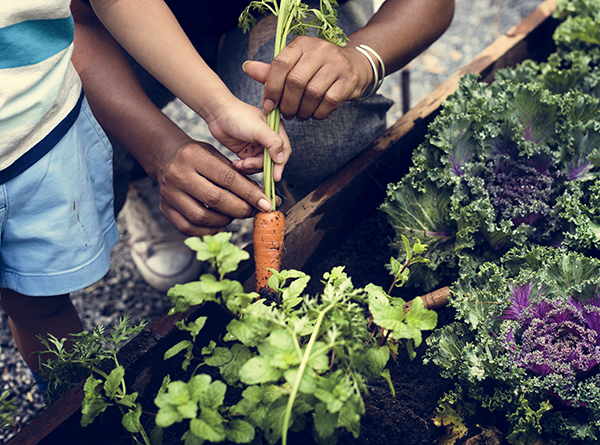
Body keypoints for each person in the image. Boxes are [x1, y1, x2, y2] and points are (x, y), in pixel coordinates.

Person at [72, 0, 455, 291]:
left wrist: (359, 59)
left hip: (270, 14)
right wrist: (158, 150)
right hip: (118, 22)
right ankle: (141, 179)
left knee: (318, 126)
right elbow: (75, 21)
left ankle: (294, 245)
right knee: (68, 132)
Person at [0, 0, 289, 374]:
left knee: (40, 304)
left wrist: (218, 108)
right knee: (27, 303)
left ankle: (77, 408)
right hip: (37, 132)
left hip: (39, 143)